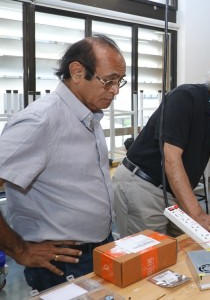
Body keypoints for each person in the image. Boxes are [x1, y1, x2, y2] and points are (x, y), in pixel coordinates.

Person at [0, 35, 126, 292]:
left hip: (98, 246)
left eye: (119, 81)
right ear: (77, 72)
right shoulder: (40, 121)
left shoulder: (88, 116)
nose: (115, 90)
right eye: (108, 81)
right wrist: (20, 250)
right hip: (63, 262)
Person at [112, 59, 210, 236]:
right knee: (150, 257)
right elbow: (171, 160)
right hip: (144, 186)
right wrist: (198, 215)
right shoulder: (185, 98)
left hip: (177, 191)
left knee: (190, 247)